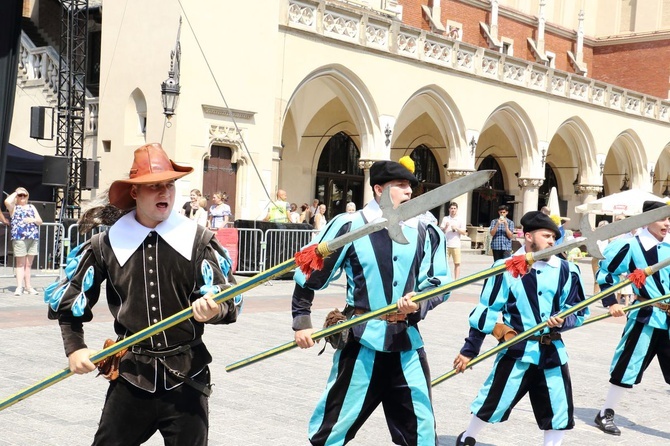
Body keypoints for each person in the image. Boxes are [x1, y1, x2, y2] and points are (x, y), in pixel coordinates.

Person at [44, 143, 242, 445]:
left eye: (169, 185)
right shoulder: (104, 245)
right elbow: (69, 303)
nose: (165, 193)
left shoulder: (198, 241)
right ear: (135, 192)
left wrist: (215, 310)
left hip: (187, 378)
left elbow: (230, 300)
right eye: (154, 187)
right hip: (131, 377)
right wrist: (75, 348)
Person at [291, 160, 451, 446]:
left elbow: (439, 283)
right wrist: (302, 320)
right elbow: (309, 271)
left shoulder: (426, 229)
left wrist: (419, 303)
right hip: (361, 339)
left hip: (406, 344)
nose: (408, 191)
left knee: (422, 431)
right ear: (378, 189)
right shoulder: (349, 225)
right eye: (400, 186)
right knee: (333, 427)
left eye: (410, 187)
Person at [453, 211, 588, 446]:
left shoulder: (568, 270)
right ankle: (468, 437)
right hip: (517, 350)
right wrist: (469, 350)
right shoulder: (504, 269)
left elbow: (579, 311)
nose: (551, 241)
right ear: (527, 236)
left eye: (554, 237)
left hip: (553, 353)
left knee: (558, 407)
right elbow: (487, 309)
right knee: (494, 400)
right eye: (546, 236)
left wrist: (564, 320)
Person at [592, 200, 670, 437]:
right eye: (662, 219)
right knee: (627, 365)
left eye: (669, 219)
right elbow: (605, 273)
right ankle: (606, 412)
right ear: (646, 220)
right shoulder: (629, 246)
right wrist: (612, 302)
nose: (667, 224)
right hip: (645, 316)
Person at [5, 187, 42, 295]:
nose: (22, 197)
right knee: (20, 264)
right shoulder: (14, 208)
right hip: (19, 238)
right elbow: (7, 201)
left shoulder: (31, 207)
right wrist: (17, 192)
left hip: (32, 237)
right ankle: (19, 287)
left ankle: (28, 286)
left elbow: (40, 221)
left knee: (28, 265)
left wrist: (33, 220)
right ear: (16, 197)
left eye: (24, 195)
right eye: (20, 195)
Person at [440, 202, 466, 279]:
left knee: (457, 263)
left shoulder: (460, 219)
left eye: (454, 208)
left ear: (457, 209)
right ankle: (445, 278)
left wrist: (457, 228)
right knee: (444, 263)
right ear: (449, 209)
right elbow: (441, 230)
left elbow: (464, 232)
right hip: (446, 244)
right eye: (451, 208)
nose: (453, 210)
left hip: (456, 245)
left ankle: (456, 280)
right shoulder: (445, 219)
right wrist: (446, 227)